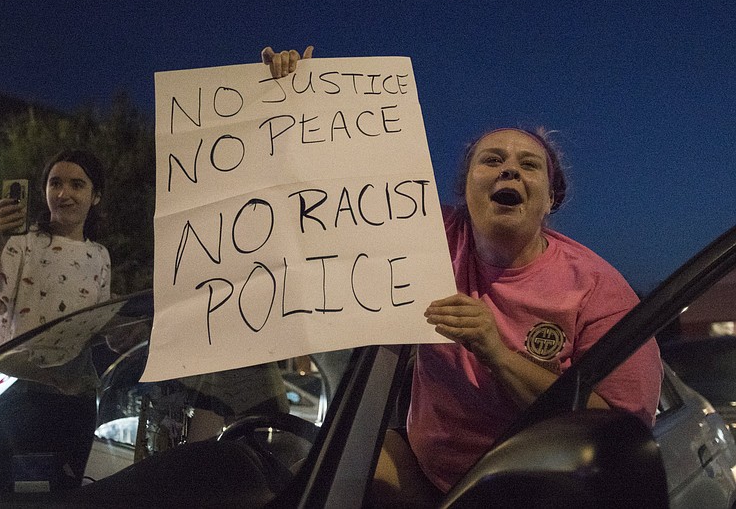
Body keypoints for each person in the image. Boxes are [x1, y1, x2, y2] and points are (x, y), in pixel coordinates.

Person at [262, 46, 663, 506]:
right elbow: (332, 195)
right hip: (425, 473)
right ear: (464, 190)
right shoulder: (428, 236)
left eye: (529, 165)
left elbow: (618, 433)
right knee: (308, 484)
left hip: (532, 493)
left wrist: (497, 351)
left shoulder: (599, 290)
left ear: (550, 199)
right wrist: (295, 99)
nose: (509, 167)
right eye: (491, 160)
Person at [0, 149, 111, 349]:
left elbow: (96, 328)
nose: (63, 194)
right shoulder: (21, 242)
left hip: (70, 378)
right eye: (55, 184)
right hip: (17, 375)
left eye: (77, 185)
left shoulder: (100, 255)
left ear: (95, 196)